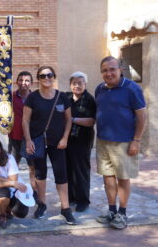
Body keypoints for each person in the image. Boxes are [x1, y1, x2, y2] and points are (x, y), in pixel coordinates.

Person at [95, 56, 146, 230]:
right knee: (107, 177)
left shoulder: (132, 88)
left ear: (120, 70)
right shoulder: (99, 89)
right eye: (104, 70)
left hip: (124, 142)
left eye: (112, 69)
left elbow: (141, 116)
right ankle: (112, 210)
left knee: (123, 178)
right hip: (102, 140)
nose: (108, 73)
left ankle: (122, 213)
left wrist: (136, 141)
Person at [22, 66, 77, 225]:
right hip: (38, 142)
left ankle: (65, 208)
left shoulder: (62, 97)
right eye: (42, 76)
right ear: (38, 79)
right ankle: (42, 204)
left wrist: (65, 138)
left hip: (58, 143)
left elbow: (68, 119)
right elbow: (25, 120)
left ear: (54, 77)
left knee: (61, 174)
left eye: (49, 75)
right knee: (40, 174)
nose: (46, 78)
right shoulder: (33, 97)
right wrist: (28, 140)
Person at [0, 136, 31, 229]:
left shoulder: (9, 158)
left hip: (16, 189)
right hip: (0, 191)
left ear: (0, 147)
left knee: (21, 213)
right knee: (2, 193)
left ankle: (7, 208)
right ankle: (2, 214)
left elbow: (14, 180)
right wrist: (10, 183)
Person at [65, 71, 96, 212]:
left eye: (80, 83)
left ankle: (83, 200)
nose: (77, 86)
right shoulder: (66, 98)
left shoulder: (89, 100)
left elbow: (91, 121)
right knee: (69, 169)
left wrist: (72, 120)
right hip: (67, 139)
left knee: (81, 170)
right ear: (70, 85)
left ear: (85, 84)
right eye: (74, 83)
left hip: (82, 140)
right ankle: (71, 197)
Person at [8, 71, 38, 200]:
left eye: (26, 80)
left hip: (31, 139)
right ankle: (13, 192)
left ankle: (35, 192)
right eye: (21, 80)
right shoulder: (10, 97)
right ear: (17, 82)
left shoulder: (36, 98)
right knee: (12, 168)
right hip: (14, 137)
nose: (23, 83)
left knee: (33, 168)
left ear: (31, 83)